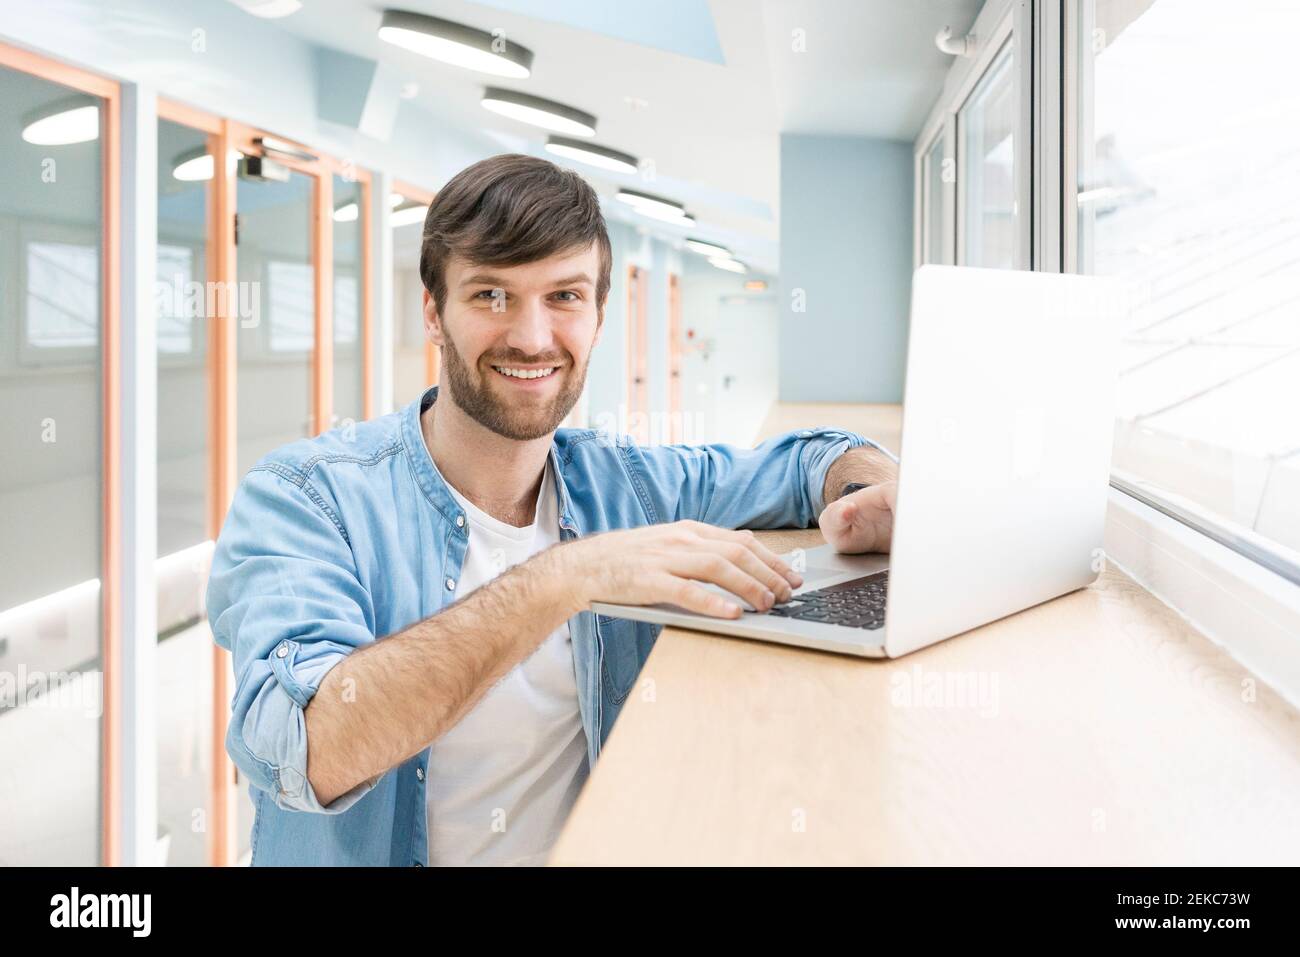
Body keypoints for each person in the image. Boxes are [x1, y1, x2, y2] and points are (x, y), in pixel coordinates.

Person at [207, 153, 898, 866]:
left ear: (599, 316)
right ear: (434, 314)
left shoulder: (623, 484)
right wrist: (564, 576)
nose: (532, 337)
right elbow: (306, 746)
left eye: (564, 296)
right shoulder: (306, 498)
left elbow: (808, 458)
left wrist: (867, 488)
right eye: (491, 295)